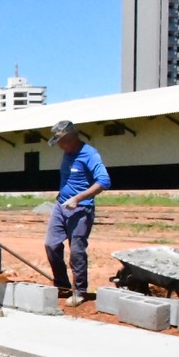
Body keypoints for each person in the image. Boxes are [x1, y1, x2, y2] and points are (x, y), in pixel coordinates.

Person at [44, 120, 111, 306]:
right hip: (61, 206)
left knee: (77, 252)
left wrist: (77, 199)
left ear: (70, 138)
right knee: (51, 244)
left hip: (81, 208)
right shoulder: (67, 153)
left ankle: (80, 291)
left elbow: (104, 181)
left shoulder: (89, 154)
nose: (59, 146)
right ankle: (63, 286)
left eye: (60, 142)